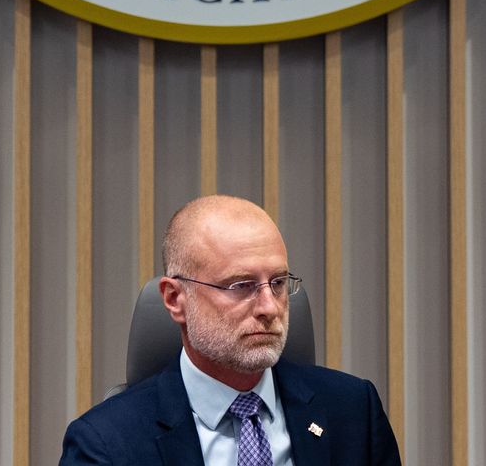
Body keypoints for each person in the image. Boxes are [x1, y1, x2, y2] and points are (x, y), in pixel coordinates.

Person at [59, 194, 403, 465]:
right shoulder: (105, 443)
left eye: (278, 283)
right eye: (241, 286)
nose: (270, 307)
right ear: (176, 299)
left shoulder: (354, 411)